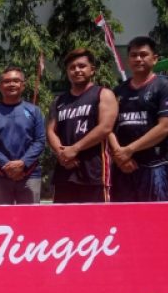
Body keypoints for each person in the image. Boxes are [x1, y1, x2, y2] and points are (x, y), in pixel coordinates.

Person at [109, 36, 168, 202]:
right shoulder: (118, 91)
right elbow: (108, 128)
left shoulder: (164, 87)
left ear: (154, 59)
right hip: (123, 167)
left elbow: (166, 127)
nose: (138, 59)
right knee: (123, 222)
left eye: (143, 54)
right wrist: (119, 155)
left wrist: (129, 150)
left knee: (155, 222)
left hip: (154, 167)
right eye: (133, 55)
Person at [47, 48, 118, 203]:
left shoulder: (103, 94)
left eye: (81, 66)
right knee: (63, 223)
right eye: (72, 67)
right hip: (64, 172)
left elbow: (105, 128)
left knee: (96, 223)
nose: (77, 70)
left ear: (92, 70)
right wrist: (62, 154)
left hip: (94, 172)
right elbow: (51, 131)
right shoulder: (59, 101)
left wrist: (75, 149)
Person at [0, 66, 45, 204]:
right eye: (7, 81)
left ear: (23, 85)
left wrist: (22, 163)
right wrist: (6, 165)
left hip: (29, 175)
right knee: (0, 221)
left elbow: (40, 141)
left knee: (31, 221)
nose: (11, 84)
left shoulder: (34, 111)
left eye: (16, 81)